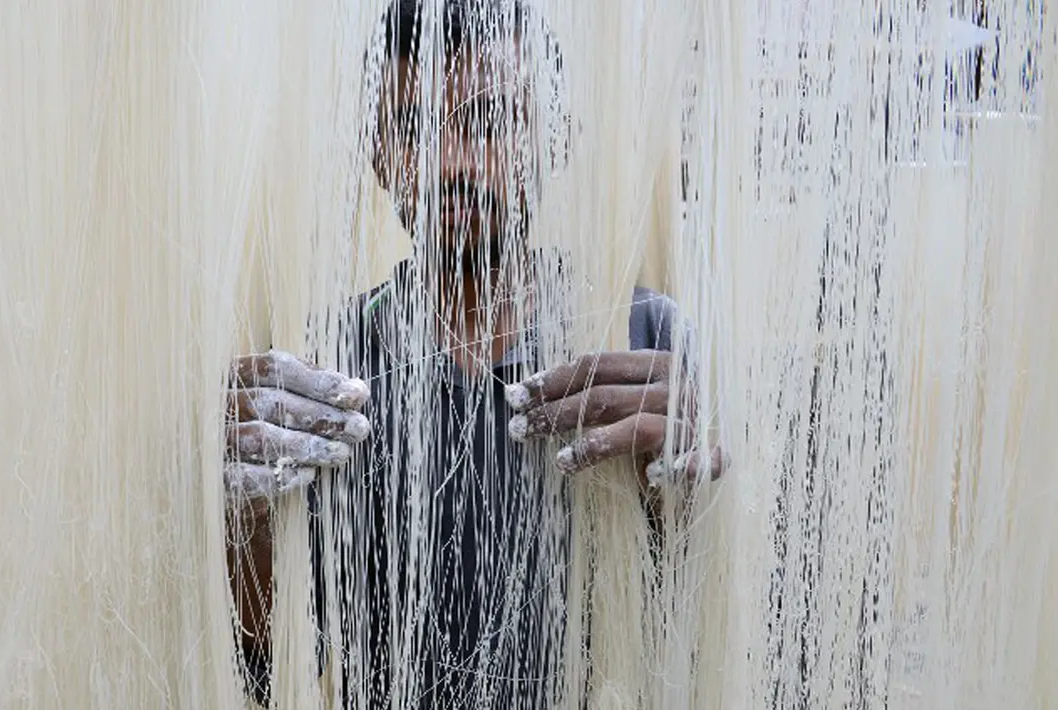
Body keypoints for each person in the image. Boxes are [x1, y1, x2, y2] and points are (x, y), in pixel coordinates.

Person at [226, 1, 723, 706]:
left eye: (490, 122)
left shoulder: (641, 338)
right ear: (377, 154)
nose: (452, 163)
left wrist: (689, 489)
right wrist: (240, 516)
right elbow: (271, 662)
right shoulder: (325, 369)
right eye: (413, 128)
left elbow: (708, 625)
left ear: (552, 139)